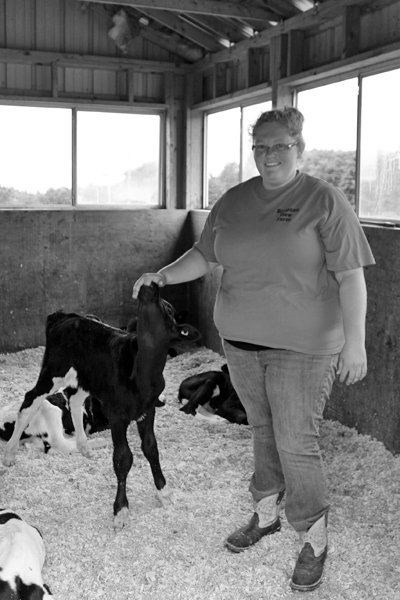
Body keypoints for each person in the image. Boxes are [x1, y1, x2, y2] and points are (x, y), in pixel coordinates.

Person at [132, 107, 375, 592]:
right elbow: (204, 255)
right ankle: (266, 512)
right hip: (241, 344)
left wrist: (356, 343)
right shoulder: (235, 201)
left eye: (280, 144)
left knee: (295, 440)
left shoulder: (324, 201)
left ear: (299, 147)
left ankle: (314, 534)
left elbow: (351, 276)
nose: (269, 154)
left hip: (304, 348)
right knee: (262, 429)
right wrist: (163, 275)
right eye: (260, 146)